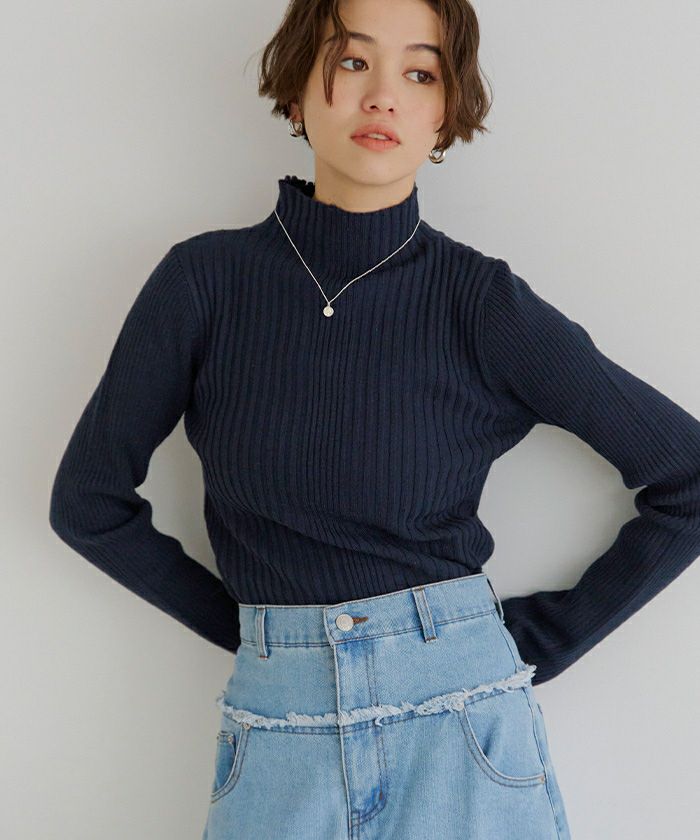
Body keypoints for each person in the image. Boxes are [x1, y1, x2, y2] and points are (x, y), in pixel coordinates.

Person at [49, 1, 700, 838]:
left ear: (445, 116)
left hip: (461, 732)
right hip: (278, 733)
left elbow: (687, 477)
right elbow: (89, 504)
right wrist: (265, 638)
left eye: (420, 73)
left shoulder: (480, 303)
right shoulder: (203, 283)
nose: (384, 94)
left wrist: (533, 640)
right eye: (353, 61)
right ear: (296, 91)